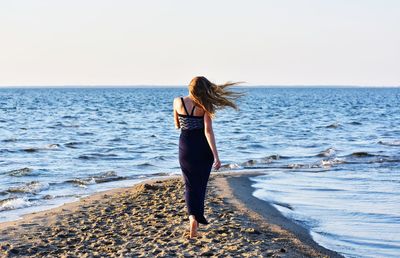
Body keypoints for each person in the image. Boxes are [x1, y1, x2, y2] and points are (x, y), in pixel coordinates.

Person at [173, 76, 242, 238]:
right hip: (203, 148)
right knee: (201, 185)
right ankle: (198, 217)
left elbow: (177, 124)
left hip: (186, 147)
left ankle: (192, 218)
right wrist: (216, 157)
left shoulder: (177, 101)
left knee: (189, 185)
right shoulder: (205, 105)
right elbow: (208, 131)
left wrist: (186, 121)